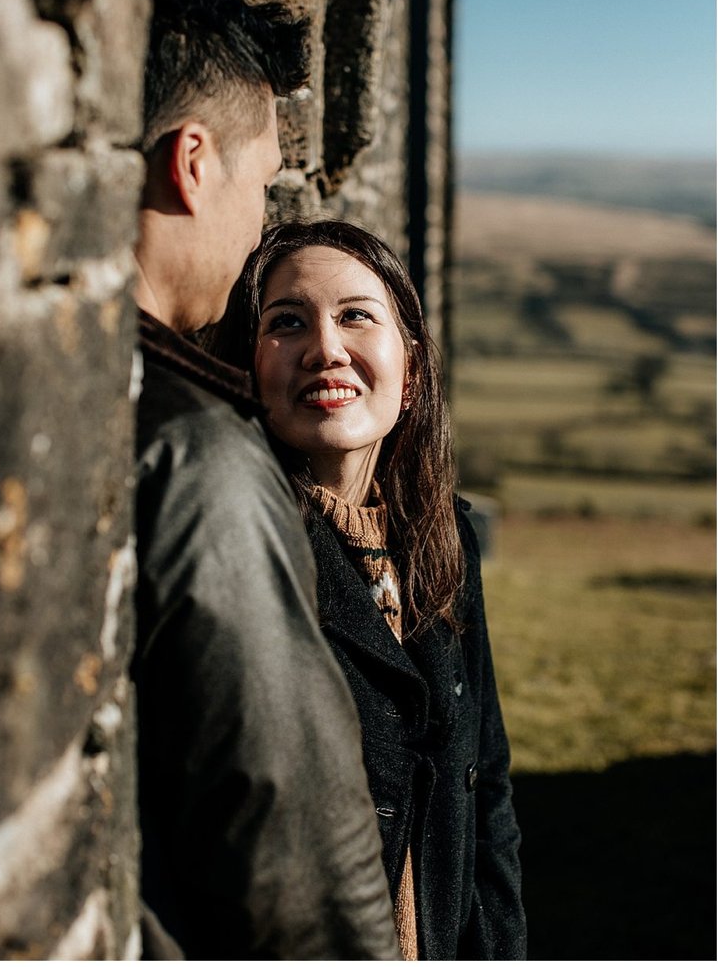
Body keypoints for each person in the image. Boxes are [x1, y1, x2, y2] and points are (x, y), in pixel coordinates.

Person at [130, 0, 400, 958]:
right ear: (191, 164)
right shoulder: (203, 456)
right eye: (263, 183)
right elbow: (295, 845)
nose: (260, 228)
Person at [216, 220, 527, 960]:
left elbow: (487, 791)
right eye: (286, 322)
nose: (326, 348)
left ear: (410, 370)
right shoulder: (241, 551)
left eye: (357, 315)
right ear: (250, 366)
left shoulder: (445, 544)